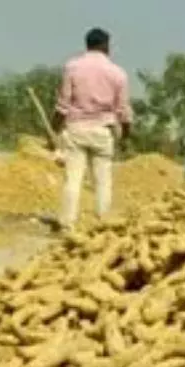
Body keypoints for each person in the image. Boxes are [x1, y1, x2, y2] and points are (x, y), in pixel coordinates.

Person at [52, 28, 132, 232]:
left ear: (87, 44)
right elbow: (123, 110)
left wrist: (54, 129)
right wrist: (126, 135)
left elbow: (62, 105)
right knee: (103, 181)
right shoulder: (118, 73)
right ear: (106, 45)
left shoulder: (72, 67)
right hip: (102, 131)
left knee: (73, 180)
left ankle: (67, 225)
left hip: (76, 129)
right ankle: (102, 226)